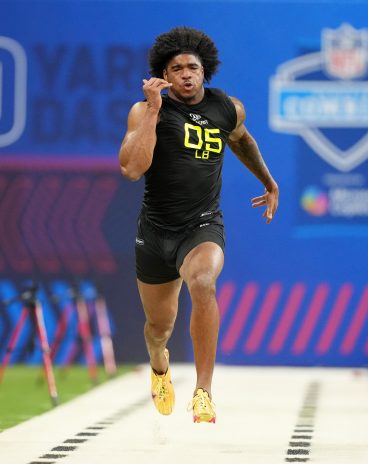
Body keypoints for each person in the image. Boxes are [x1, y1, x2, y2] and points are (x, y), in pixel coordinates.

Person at [118, 26, 279, 423]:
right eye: (176, 69)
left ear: (205, 71)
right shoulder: (144, 110)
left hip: (202, 226)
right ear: (164, 76)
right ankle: (160, 367)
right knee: (159, 327)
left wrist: (268, 181)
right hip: (155, 232)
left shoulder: (228, 108)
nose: (186, 74)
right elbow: (131, 168)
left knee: (204, 282)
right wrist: (154, 110)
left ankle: (203, 392)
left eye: (193, 66)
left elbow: (241, 140)